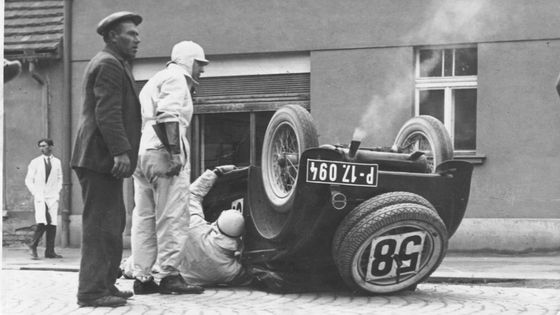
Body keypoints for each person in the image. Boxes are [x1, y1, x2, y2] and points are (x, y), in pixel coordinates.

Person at [70, 11, 142, 308]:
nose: (137, 39)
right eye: (131, 34)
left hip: (100, 157)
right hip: (100, 157)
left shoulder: (113, 62)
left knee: (111, 222)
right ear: (113, 36)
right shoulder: (109, 64)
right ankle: (91, 291)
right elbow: (107, 112)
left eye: (137, 34)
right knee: (101, 225)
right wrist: (120, 151)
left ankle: (104, 283)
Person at [129, 41, 208, 295]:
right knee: (172, 215)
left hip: (144, 152)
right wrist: (175, 153)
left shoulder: (156, 78)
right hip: (163, 153)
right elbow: (168, 115)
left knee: (144, 217)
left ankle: (142, 277)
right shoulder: (177, 79)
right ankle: (169, 275)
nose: (202, 70)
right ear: (188, 60)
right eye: (200, 64)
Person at [121, 165, 252, 287]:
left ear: (216, 225)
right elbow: (247, 276)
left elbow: (193, 194)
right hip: (171, 275)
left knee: (146, 257)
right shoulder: (230, 269)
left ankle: (124, 268)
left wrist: (216, 172)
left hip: (161, 267)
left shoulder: (195, 227)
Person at [25, 138, 63, 259]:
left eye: (45, 145)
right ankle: (33, 246)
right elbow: (28, 180)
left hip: (52, 196)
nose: (42, 148)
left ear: (51, 146)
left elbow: (59, 178)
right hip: (40, 196)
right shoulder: (35, 162)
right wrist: (36, 192)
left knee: (52, 224)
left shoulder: (57, 162)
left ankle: (50, 252)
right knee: (43, 221)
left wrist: (57, 191)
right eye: (40, 146)